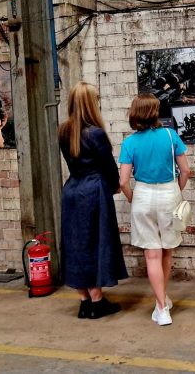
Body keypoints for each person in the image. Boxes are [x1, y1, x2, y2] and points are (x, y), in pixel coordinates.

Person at [119, 94, 191, 326]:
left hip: (142, 195)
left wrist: (133, 198)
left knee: (152, 253)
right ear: (154, 112)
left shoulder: (130, 142)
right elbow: (186, 171)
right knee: (167, 250)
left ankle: (161, 307)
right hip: (169, 194)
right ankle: (163, 300)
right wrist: (176, 192)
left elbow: (122, 181)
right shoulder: (170, 136)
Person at [57, 82, 128, 320]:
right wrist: (116, 185)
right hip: (93, 191)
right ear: (90, 103)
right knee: (95, 243)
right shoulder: (96, 133)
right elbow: (108, 167)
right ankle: (97, 301)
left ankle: (84, 301)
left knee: (75, 244)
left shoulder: (63, 130)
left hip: (72, 191)